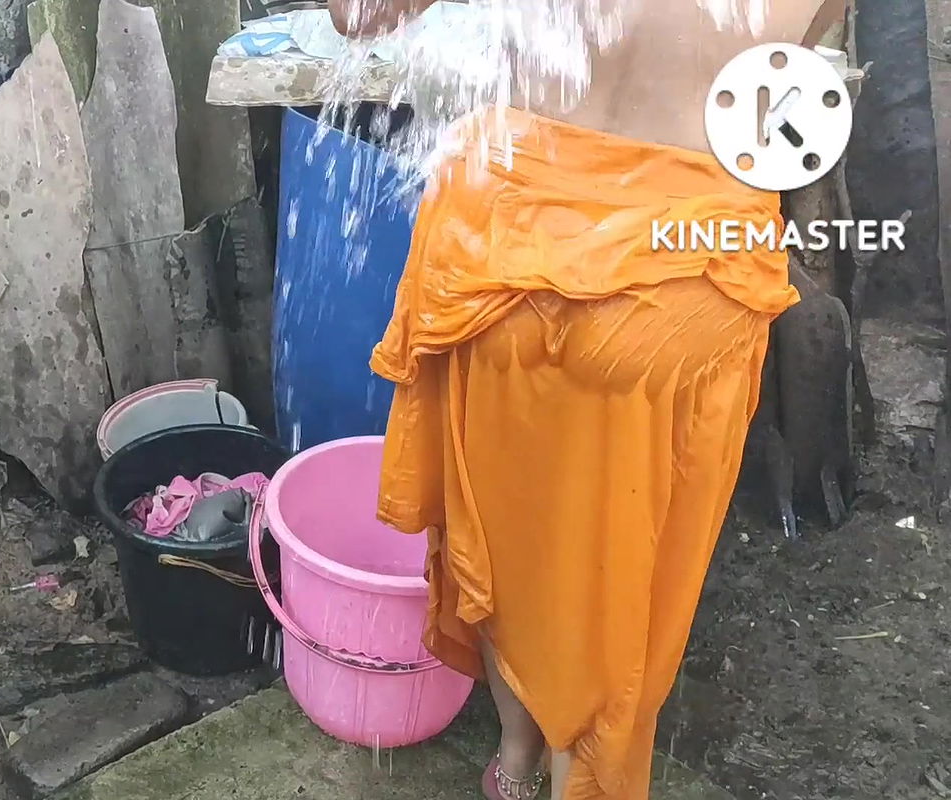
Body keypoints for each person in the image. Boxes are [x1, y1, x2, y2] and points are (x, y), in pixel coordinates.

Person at [326, 1, 844, 799]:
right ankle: (581, 775)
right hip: (682, 283)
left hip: (504, 252)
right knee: (621, 581)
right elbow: (780, 71)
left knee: (509, 537)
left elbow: (357, 16)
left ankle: (517, 766)